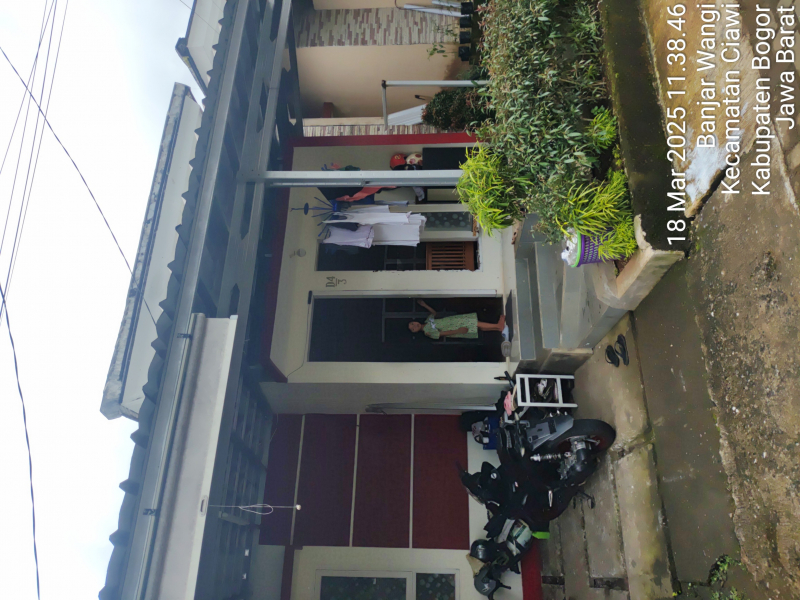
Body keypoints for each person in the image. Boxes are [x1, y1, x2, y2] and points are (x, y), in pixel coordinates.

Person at [409, 299, 506, 339]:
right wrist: (458, 331)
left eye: (413, 323)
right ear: (415, 332)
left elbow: (434, 313)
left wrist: (425, 305)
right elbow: (441, 334)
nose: (415, 325)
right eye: (413, 328)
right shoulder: (427, 332)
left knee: (476, 325)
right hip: (454, 327)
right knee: (474, 323)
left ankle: (497, 328)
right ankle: (497, 325)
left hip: (454, 320)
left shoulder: (427, 321)